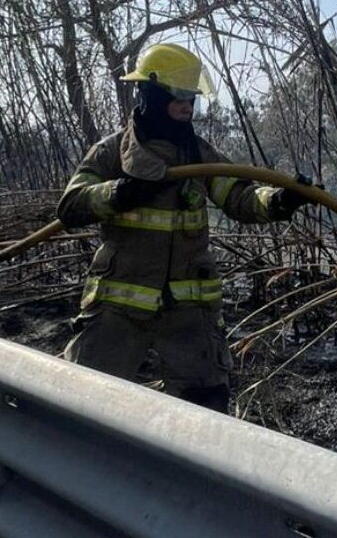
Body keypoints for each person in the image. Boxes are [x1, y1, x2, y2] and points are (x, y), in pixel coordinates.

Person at [57, 43, 312, 413]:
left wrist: (279, 201)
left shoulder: (199, 155)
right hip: (118, 308)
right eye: (178, 96)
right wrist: (121, 193)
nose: (187, 106)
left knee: (206, 408)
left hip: (188, 310)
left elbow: (238, 195)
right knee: (82, 402)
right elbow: (71, 206)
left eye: (192, 97)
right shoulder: (111, 152)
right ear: (150, 93)